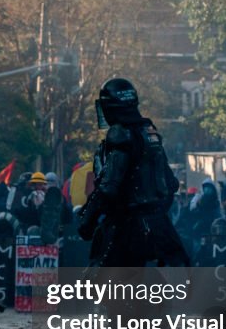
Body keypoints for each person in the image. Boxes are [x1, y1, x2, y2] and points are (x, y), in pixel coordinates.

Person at [77, 78, 189, 267]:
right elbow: (171, 183)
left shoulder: (120, 134)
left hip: (126, 227)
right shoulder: (149, 132)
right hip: (160, 226)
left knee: (98, 287)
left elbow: (108, 187)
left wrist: (87, 221)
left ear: (109, 107)